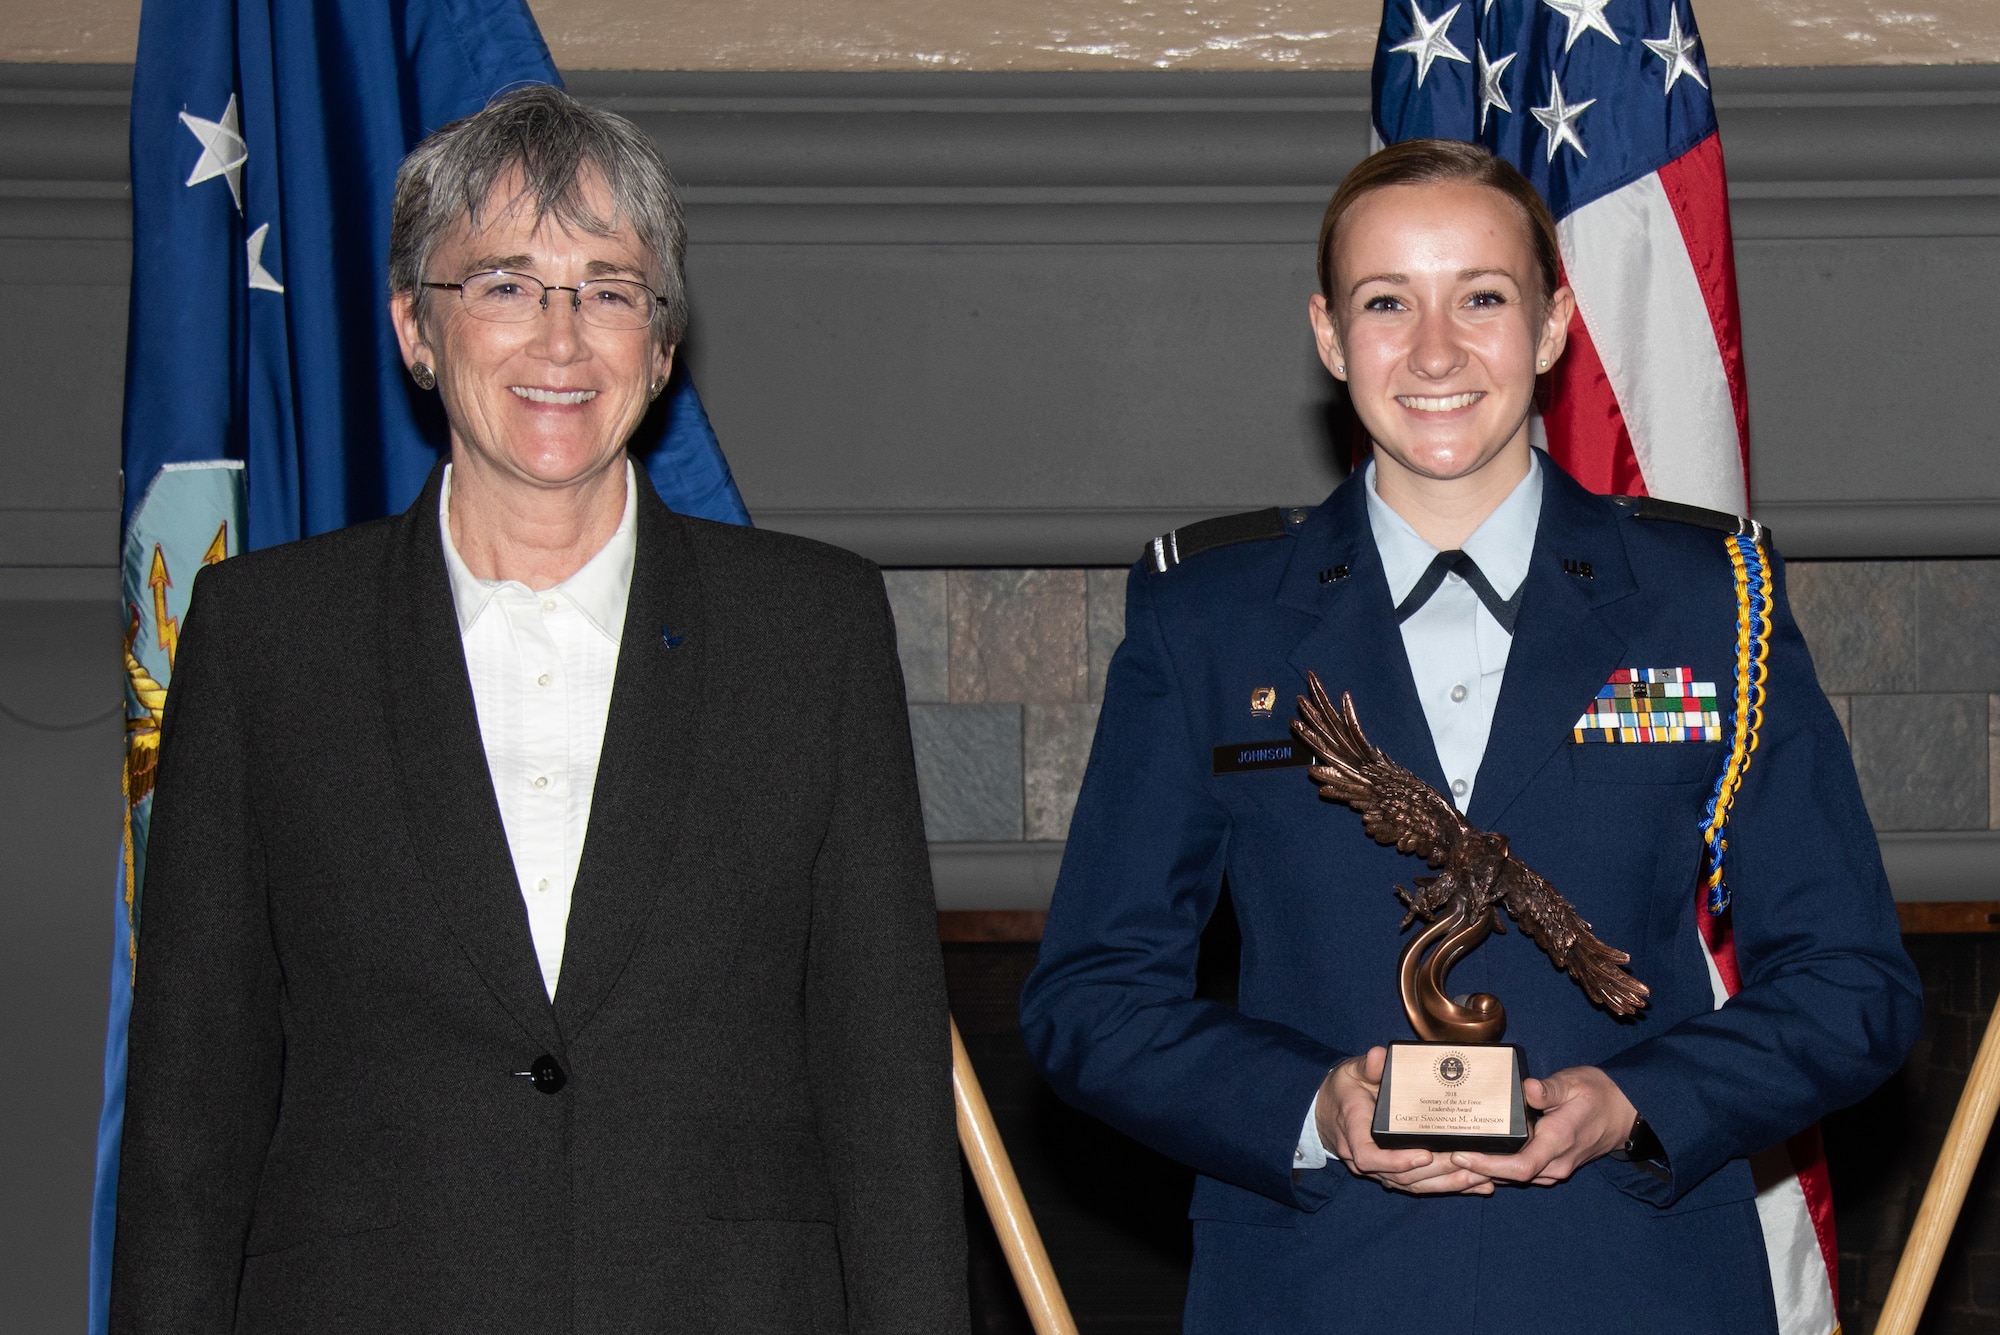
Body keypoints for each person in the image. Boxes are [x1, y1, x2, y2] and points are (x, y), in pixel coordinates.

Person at [1018, 138, 1920, 1332]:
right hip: (1314, 1288)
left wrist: (1634, 1102)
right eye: (1386, 303)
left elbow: (1850, 984)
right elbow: (1089, 998)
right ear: (1329, 336)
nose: (1434, 352)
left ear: (1550, 327)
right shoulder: (1209, 620)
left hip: (1630, 1283)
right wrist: (1313, 1105)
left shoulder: (1708, 599)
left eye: (1480, 299)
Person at [110, 85, 967, 1334]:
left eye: (609, 289)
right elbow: (192, 1114)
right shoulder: (265, 640)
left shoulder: (812, 632)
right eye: (504, 284)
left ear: (662, 343)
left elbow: (884, 1094)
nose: (560, 341)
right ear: (415, 325)